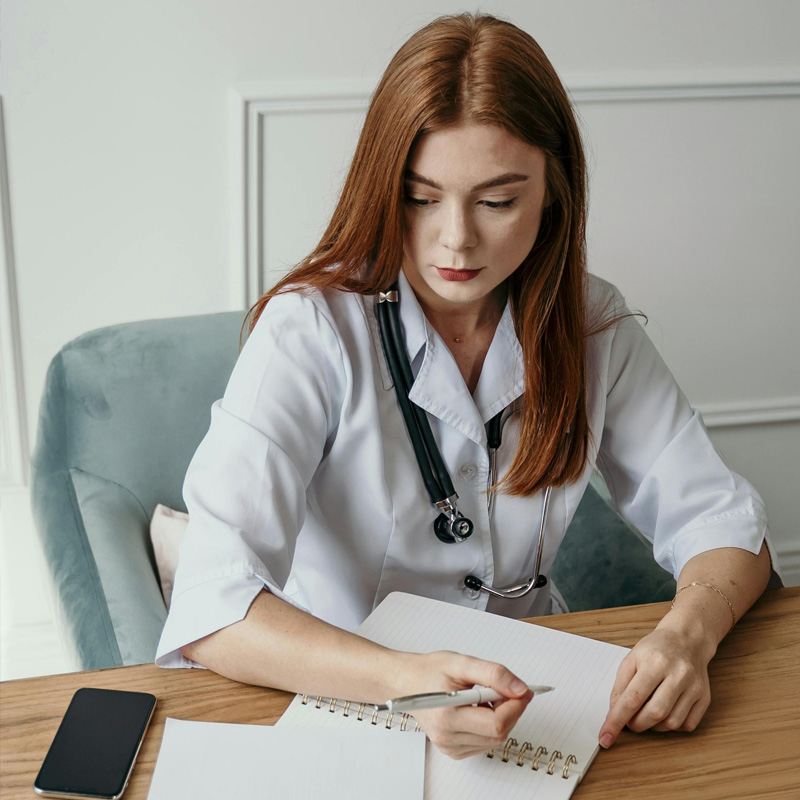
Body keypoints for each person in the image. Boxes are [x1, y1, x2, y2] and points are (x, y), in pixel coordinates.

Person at [155, 13, 779, 759]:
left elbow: (723, 522)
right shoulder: (308, 331)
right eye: (421, 198)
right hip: (347, 698)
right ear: (384, 186)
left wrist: (687, 635)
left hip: (536, 700)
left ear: (553, 193)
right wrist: (406, 683)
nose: (455, 240)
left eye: (496, 201)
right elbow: (212, 605)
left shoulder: (593, 323)